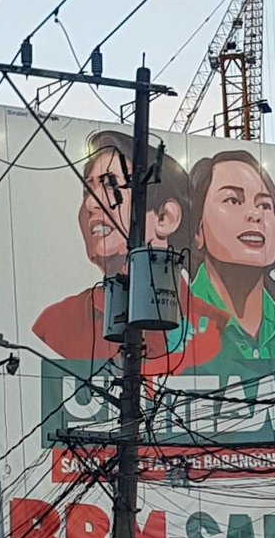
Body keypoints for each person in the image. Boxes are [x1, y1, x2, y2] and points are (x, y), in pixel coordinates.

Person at [32, 129, 227, 367]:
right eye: (87, 190)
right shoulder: (56, 324)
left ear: (165, 217)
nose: (91, 204)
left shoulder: (218, 328)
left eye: (110, 185)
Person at [186, 149, 275, 366]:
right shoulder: (173, 331)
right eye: (233, 200)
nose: (255, 214)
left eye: (265, 205)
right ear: (197, 230)